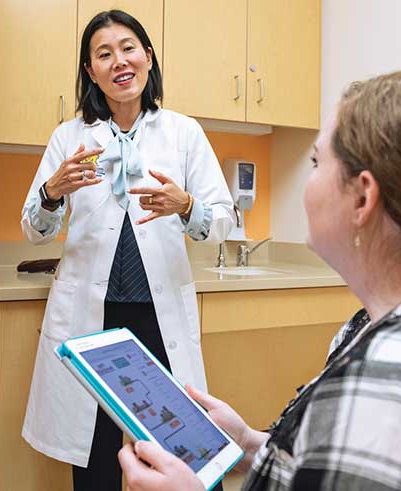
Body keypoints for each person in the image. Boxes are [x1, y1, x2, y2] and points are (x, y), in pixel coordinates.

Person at [117, 70, 401, 490]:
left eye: (317, 161)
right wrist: (249, 445)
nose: (307, 181)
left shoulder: (390, 389)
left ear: (363, 197)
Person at [20, 9, 235, 491]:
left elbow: (223, 221)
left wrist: (188, 207)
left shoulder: (183, 132)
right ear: (90, 71)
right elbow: (35, 231)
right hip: (90, 318)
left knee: (182, 447)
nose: (119, 61)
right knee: (94, 457)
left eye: (128, 48)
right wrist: (52, 193)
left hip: (156, 316)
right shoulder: (69, 137)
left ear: (148, 57)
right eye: (104, 54)